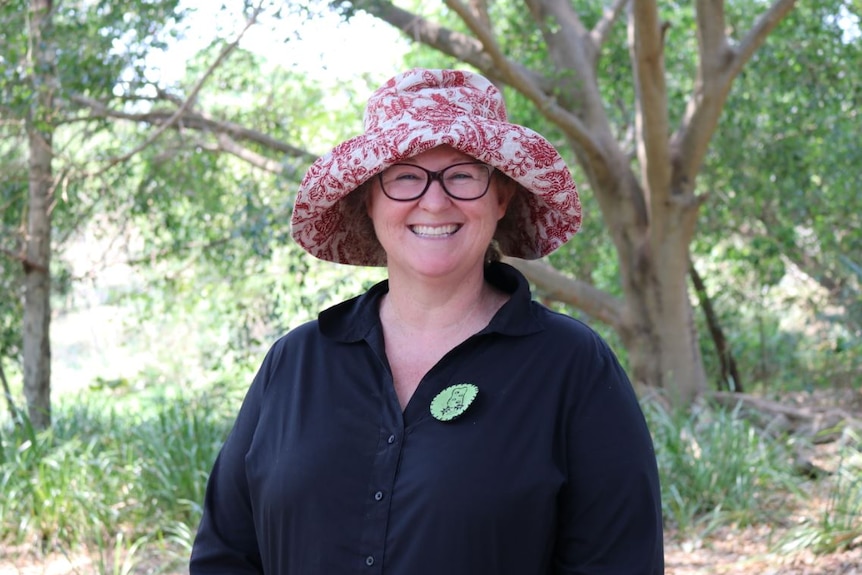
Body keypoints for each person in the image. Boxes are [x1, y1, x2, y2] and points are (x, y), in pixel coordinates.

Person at [190, 68, 664, 574]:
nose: (434, 201)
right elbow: (225, 556)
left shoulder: (572, 366)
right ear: (369, 199)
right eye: (405, 177)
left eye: (462, 174)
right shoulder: (295, 363)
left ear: (500, 197)